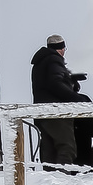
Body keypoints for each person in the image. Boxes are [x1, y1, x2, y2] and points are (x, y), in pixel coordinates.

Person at [30, 35, 81, 169]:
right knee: (67, 147)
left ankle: (50, 181)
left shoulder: (40, 62)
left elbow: (49, 82)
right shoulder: (54, 60)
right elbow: (55, 84)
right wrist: (76, 98)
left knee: (49, 149)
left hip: (42, 112)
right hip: (57, 112)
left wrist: (70, 79)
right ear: (61, 48)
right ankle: (63, 180)